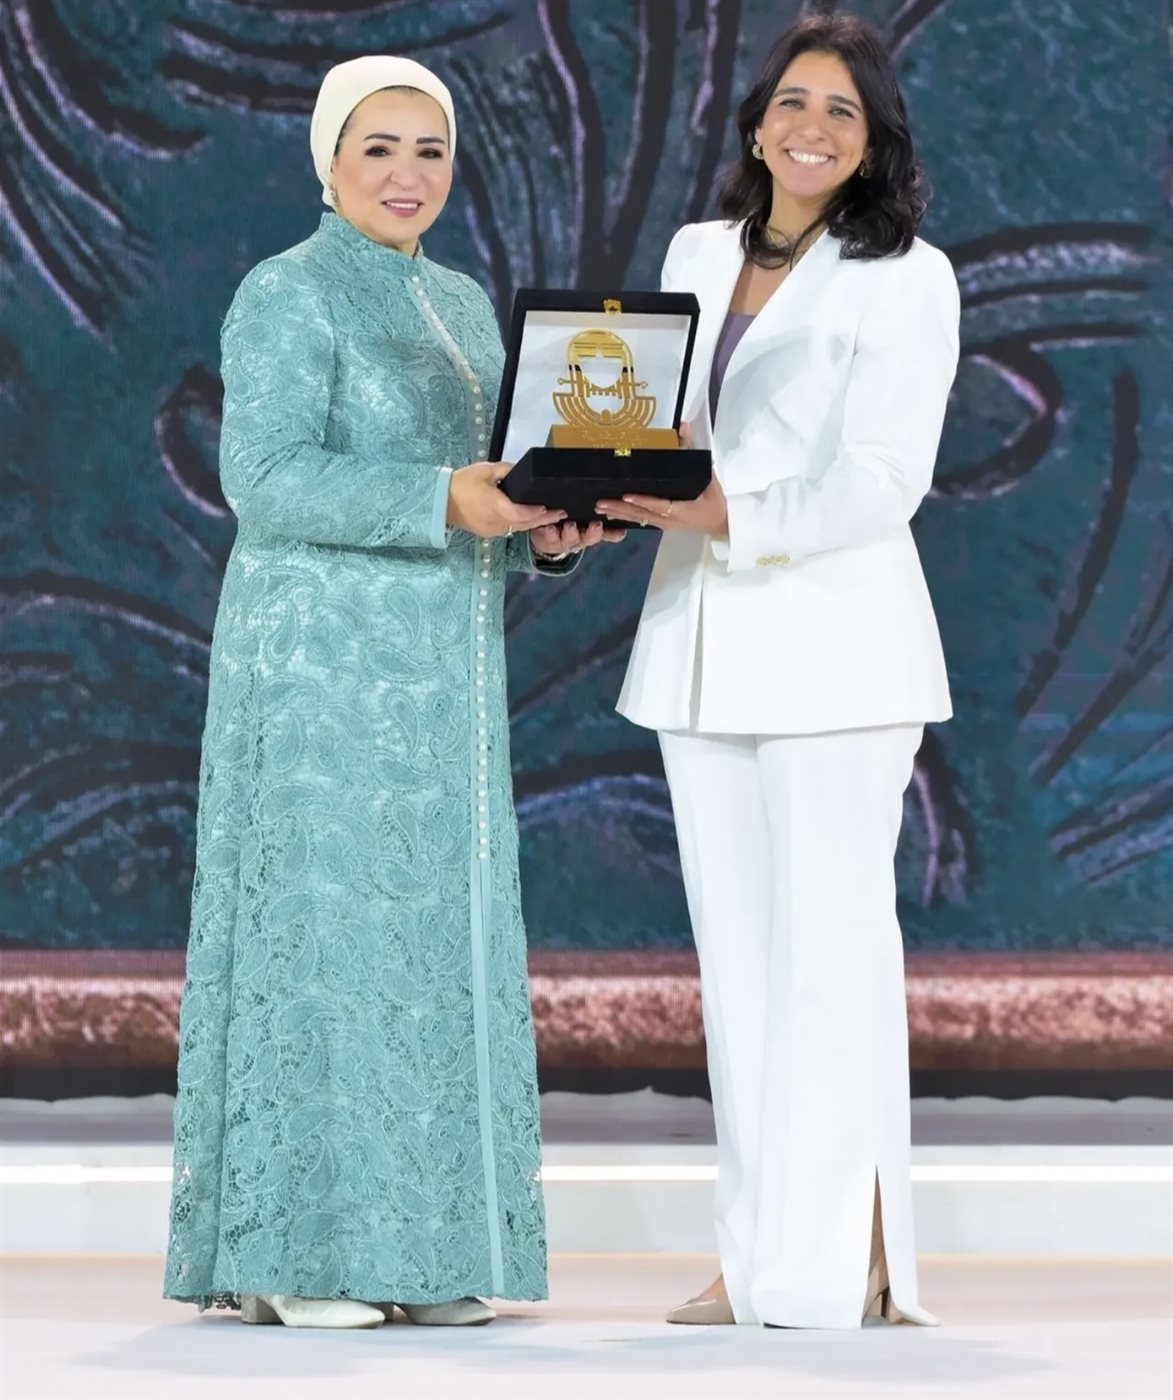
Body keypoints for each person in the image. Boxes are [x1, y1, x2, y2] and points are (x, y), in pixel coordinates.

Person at [163, 54, 619, 1330]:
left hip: (440, 683)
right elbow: (264, 479)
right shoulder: (287, 290)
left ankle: (422, 1252)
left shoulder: (463, 304)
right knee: (324, 934)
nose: (407, 173)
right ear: (329, 161)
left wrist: (548, 535)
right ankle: (297, 1254)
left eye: (430, 149)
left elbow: (491, 490)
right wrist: (445, 498)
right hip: (317, 674)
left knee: (433, 945)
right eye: (379, 147)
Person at [601, 13, 959, 1329]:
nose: (812, 127)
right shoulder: (697, 253)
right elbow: (651, 423)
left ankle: (851, 1253)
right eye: (793, 103)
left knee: (830, 961)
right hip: (702, 650)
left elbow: (883, 479)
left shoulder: (906, 275)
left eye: (841, 112)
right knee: (739, 970)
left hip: (836, 655)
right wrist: (597, 481)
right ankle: (757, 1256)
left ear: (872, 145)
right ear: (757, 124)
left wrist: (725, 513)